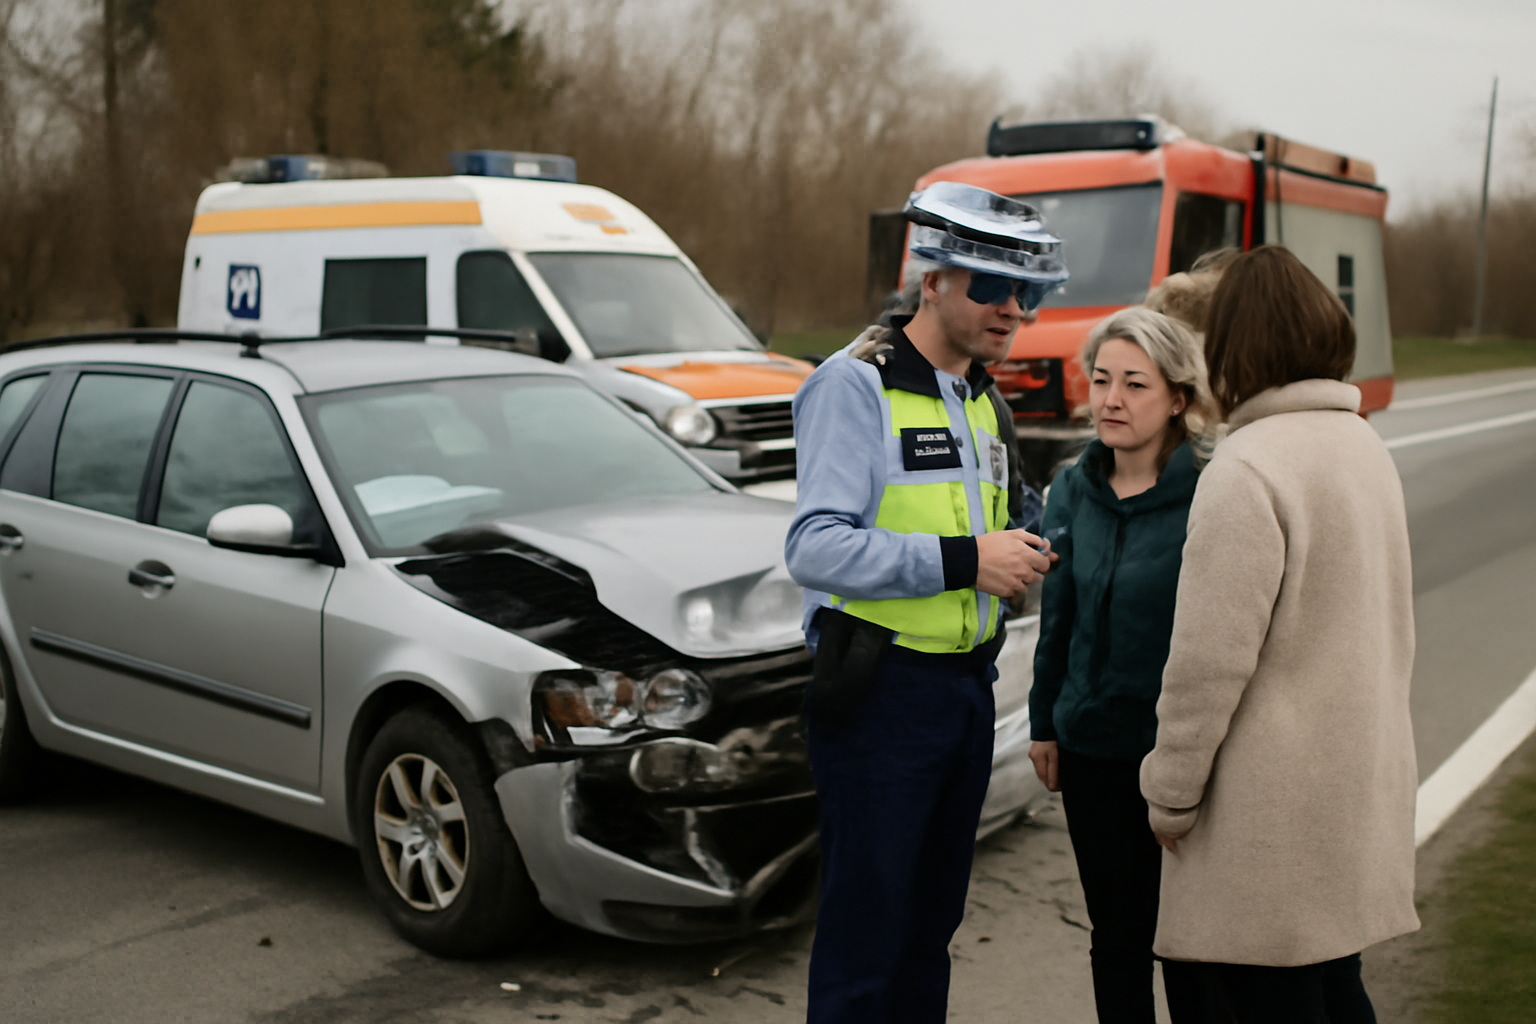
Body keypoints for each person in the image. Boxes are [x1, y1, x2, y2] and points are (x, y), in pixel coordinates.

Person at [784, 181, 1067, 1024]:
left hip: (961, 696)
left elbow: (1008, 523)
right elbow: (815, 547)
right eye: (989, 286)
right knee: (866, 940)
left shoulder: (982, 398)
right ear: (932, 280)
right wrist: (966, 561)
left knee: (928, 930)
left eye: (1025, 293)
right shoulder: (853, 386)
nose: (1011, 309)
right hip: (880, 696)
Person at [1140, 245, 1419, 1023]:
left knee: (1273, 1001)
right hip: (1350, 789)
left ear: (1234, 344)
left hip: (1267, 821)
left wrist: (1169, 794)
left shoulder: (1246, 469)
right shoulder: (1360, 443)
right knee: (1335, 989)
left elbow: (1204, 668)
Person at [1027, 306, 1218, 1024]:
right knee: (1117, 940)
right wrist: (1045, 722)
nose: (1110, 399)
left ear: (1178, 397)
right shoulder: (1072, 486)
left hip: (1176, 756)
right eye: (1101, 379)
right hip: (1088, 750)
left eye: (1134, 384)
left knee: (1193, 947)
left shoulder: (1210, 491)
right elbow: (1059, 617)